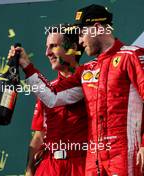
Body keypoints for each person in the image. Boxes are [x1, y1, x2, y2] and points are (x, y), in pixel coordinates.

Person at [9, 4, 144, 176]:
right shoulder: (87, 70)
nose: (79, 41)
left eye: (81, 34)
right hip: (93, 158)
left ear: (96, 28)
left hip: (124, 153)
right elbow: (52, 98)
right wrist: (26, 66)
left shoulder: (131, 56)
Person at [25, 24, 88, 176]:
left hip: (82, 164)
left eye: (53, 46)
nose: (47, 53)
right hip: (49, 166)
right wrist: (29, 170)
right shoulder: (47, 89)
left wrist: (25, 65)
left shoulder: (90, 79)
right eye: (47, 47)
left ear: (72, 47)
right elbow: (39, 135)